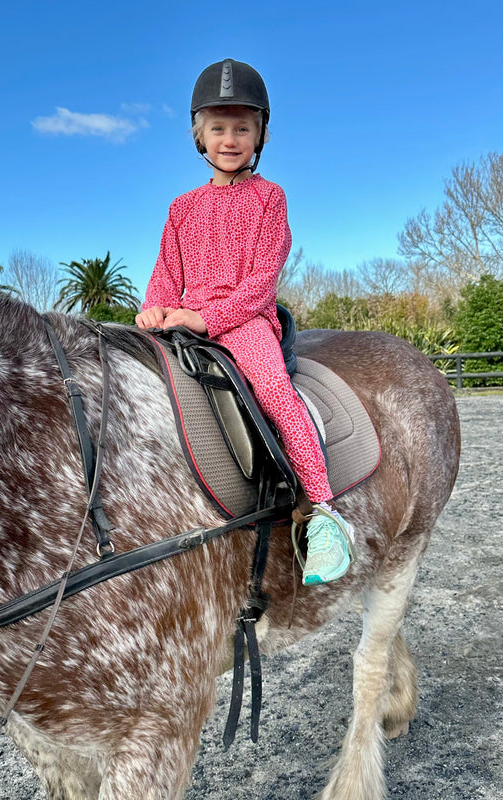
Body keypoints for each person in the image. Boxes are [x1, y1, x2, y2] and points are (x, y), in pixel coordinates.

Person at [135, 58, 354, 585]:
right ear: (199, 136)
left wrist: (206, 317)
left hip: (243, 321)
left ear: (260, 135)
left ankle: (323, 516)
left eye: (241, 128)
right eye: (218, 128)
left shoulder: (270, 199)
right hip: (181, 321)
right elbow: (167, 270)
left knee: (277, 394)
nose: (229, 139)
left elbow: (261, 282)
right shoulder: (181, 207)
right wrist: (155, 307)